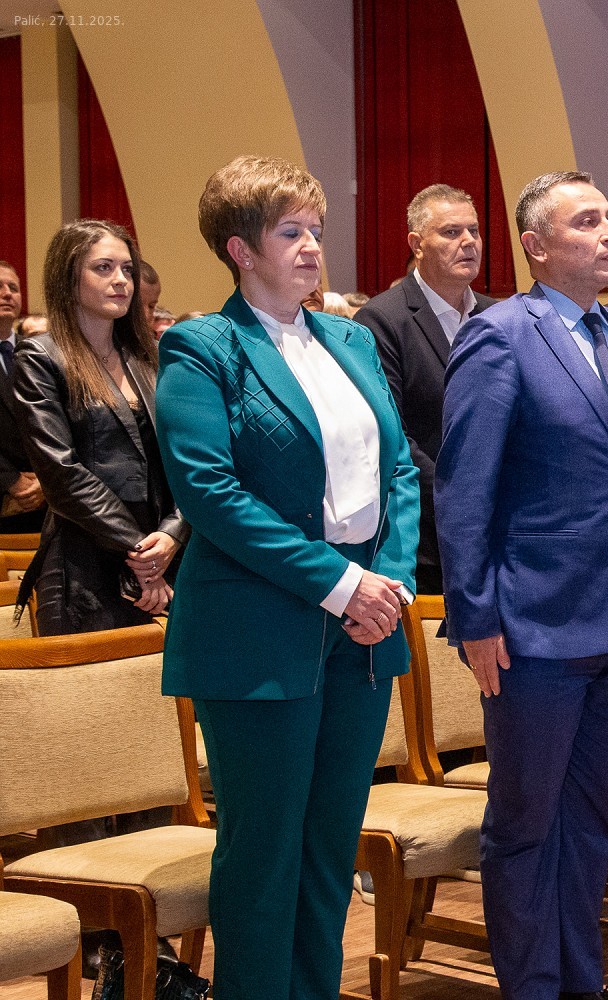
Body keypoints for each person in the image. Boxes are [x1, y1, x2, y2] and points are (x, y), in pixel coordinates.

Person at [155, 155, 420, 1000]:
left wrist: (391, 583)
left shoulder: (350, 339)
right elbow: (210, 492)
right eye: (289, 232)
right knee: (264, 852)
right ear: (240, 249)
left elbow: (399, 470)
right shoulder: (202, 347)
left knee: (330, 845)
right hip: (257, 634)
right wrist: (342, 585)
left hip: (365, 630)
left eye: (316, 230)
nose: (312, 247)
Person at [436, 170, 608, 1000]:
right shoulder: (501, 335)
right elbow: (465, 490)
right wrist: (475, 617)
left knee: (595, 821)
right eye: (586, 222)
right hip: (533, 625)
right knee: (526, 823)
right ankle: (532, 986)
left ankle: (582, 980)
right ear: (536, 246)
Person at [12, 221, 185, 634]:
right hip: (85, 562)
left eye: (127, 269)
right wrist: (140, 552)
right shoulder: (40, 356)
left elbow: (185, 457)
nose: (121, 280)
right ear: (68, 277)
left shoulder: (147, 356)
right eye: (103, 268)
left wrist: (173, 533)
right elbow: (61, 474)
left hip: (165, 553)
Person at [355, 183, 496, 593]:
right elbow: (391, 434)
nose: (468, 242)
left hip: (500, 527)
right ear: (417, 244)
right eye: (451, 232)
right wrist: (464, 497)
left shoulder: (498, 315)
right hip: (428, 535)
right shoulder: (382, 319)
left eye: (474, 230)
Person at [0, 261, 46, 533]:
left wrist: (45, 479)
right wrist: (10, 480)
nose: (7, 294)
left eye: (13, 288)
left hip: (45, 499)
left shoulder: (38, 352)